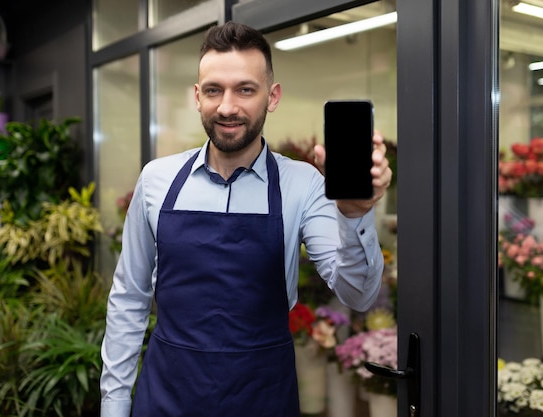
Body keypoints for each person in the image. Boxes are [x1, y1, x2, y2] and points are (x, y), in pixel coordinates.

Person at [100, 21, 392, 417]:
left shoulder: (303, 184)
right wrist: (114, 406)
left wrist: (356, 215)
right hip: (167, 397)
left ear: (272, 97)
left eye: (245, 89)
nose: (227, 107)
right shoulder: (157, 179)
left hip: (263, 396)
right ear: (197, 96)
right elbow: (129, 299)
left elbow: (357, 294)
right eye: (214, 90)